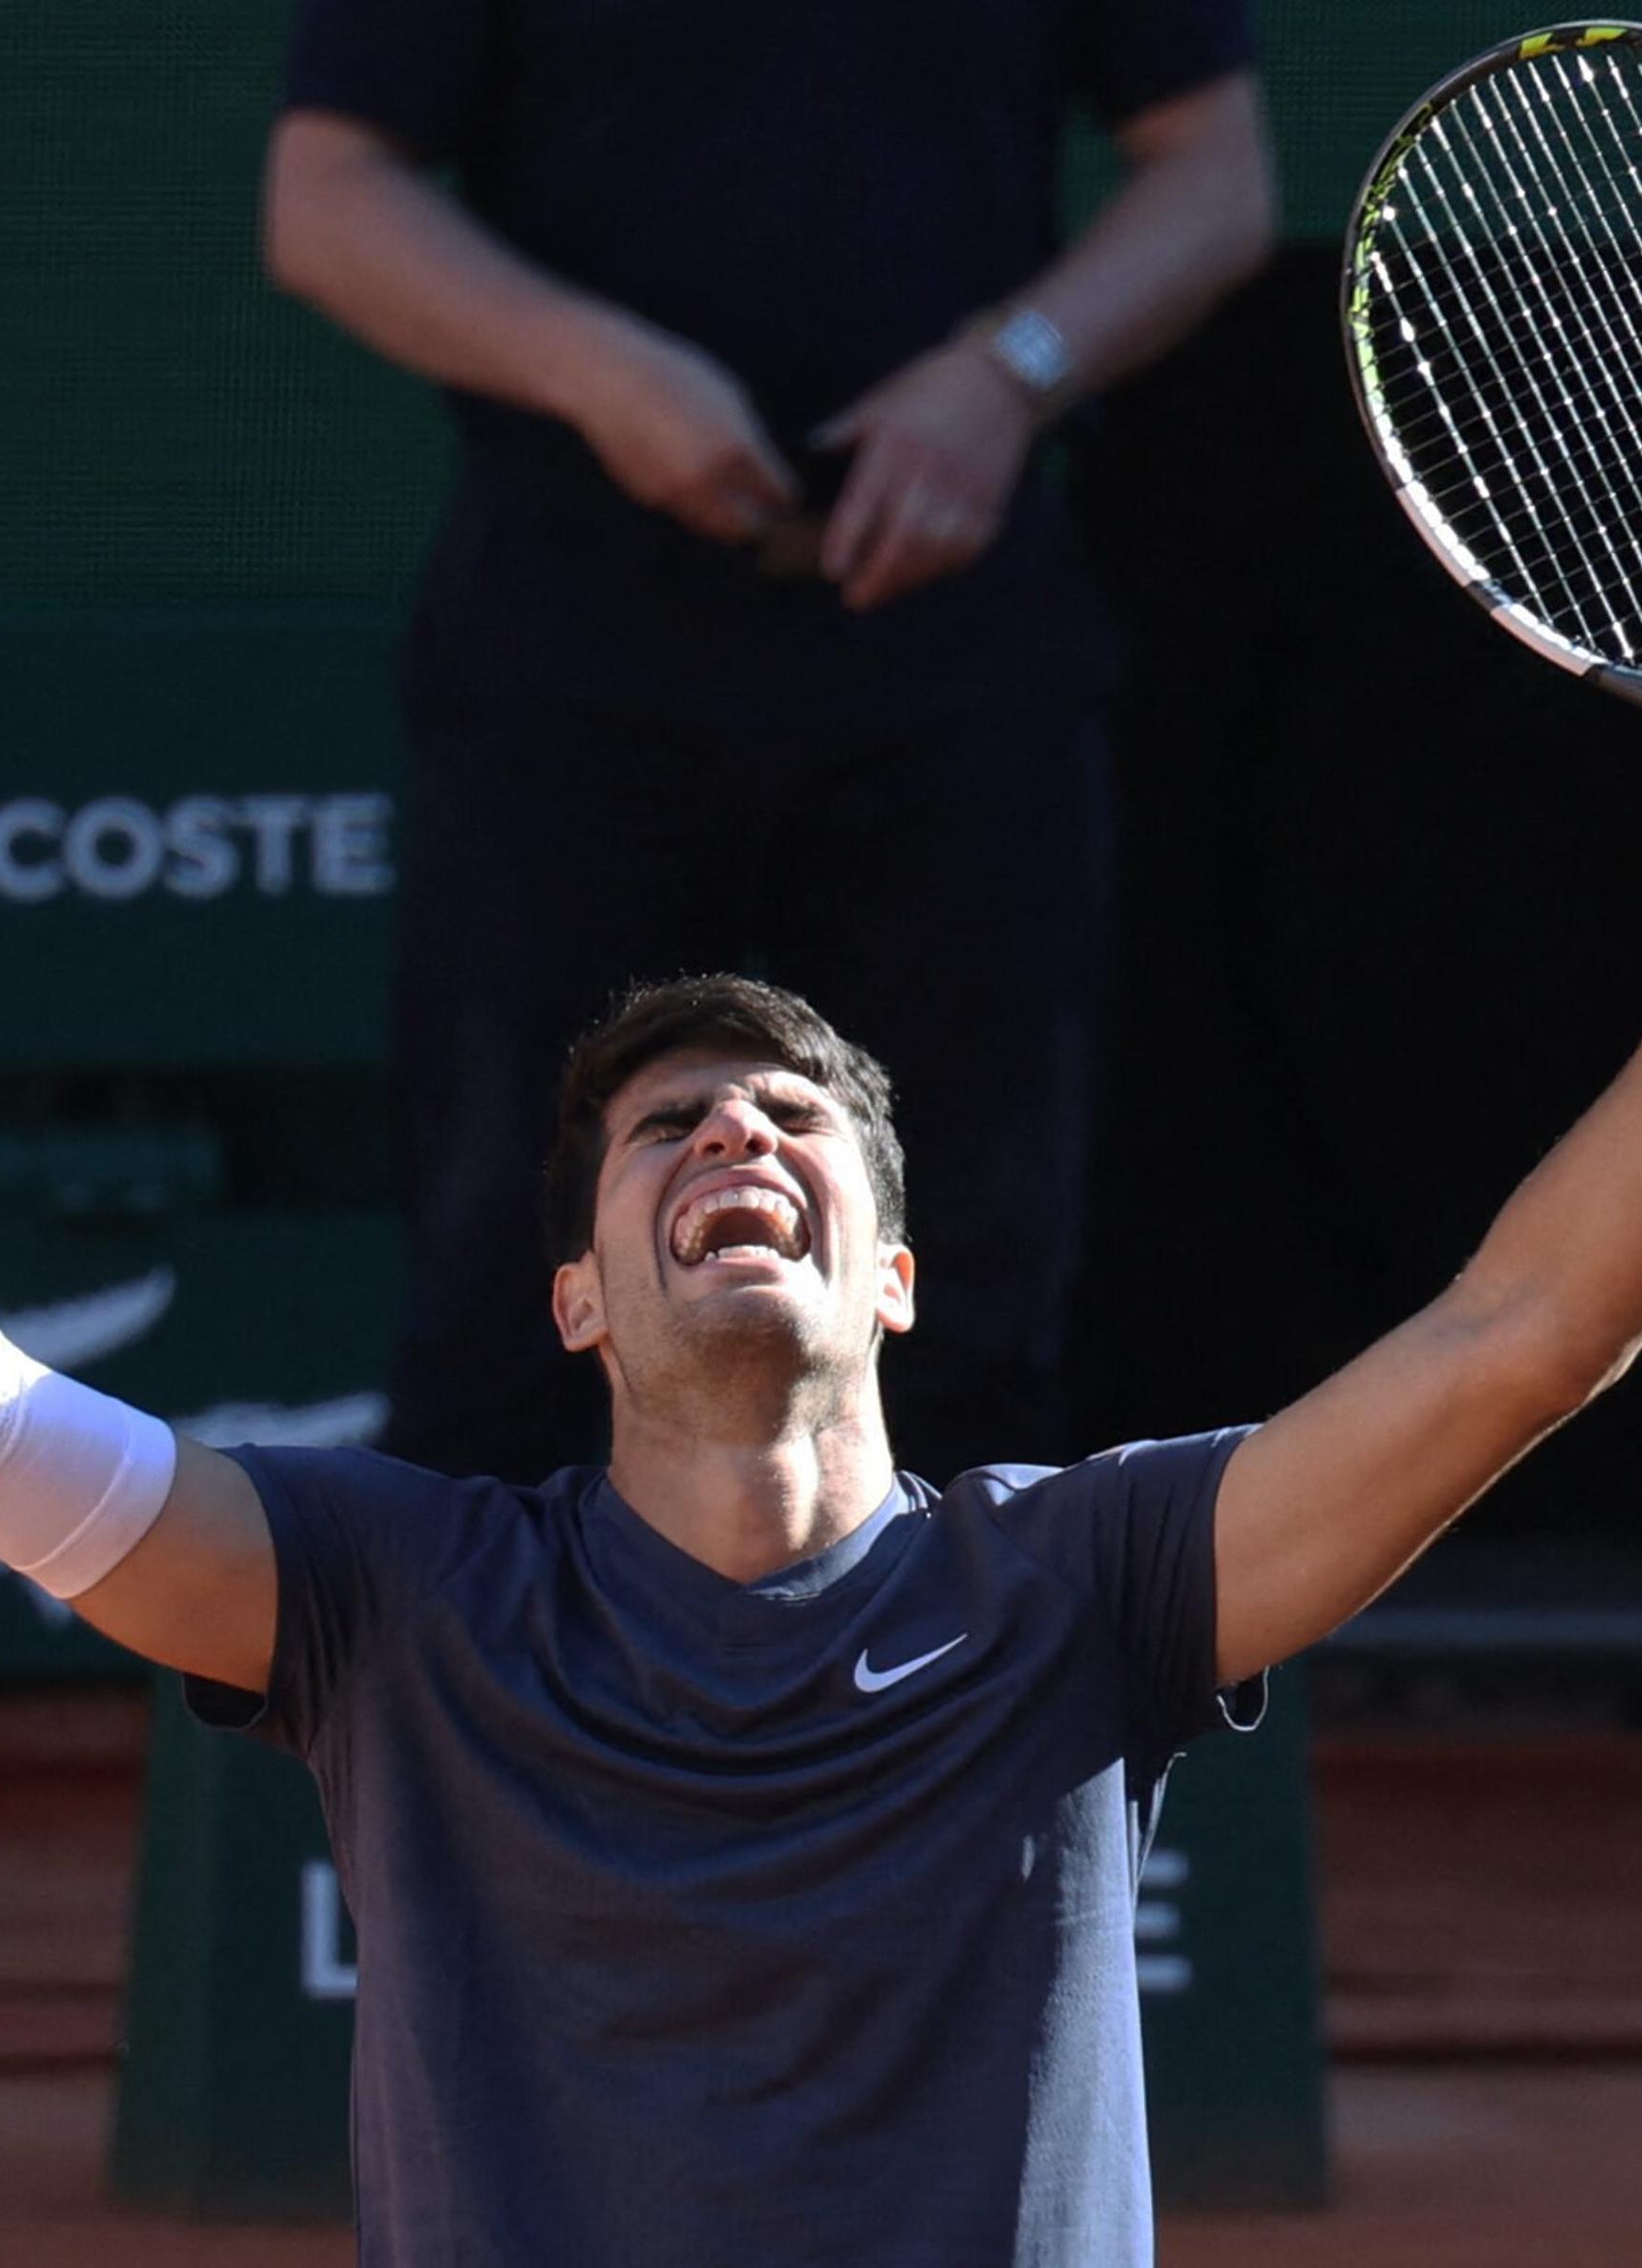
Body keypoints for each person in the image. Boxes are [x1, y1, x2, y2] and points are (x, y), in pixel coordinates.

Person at [0, 649, 1642, 2264]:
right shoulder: (391, 1606)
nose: (733, 1127)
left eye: (792, 1117)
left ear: (899, 1278)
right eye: (660, 1130)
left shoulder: (1088, 1590)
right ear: (578, 1300)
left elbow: (1516, 1340)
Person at [258, 0, 1277, 1484]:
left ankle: (942, 1708)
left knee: (965, 1290)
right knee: (520, 1279)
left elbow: (1214, 171)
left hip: (956, 675)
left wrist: (1010, 375)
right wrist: (595, 368)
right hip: (572, 677)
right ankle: (498, 1715)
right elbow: (329, 197)